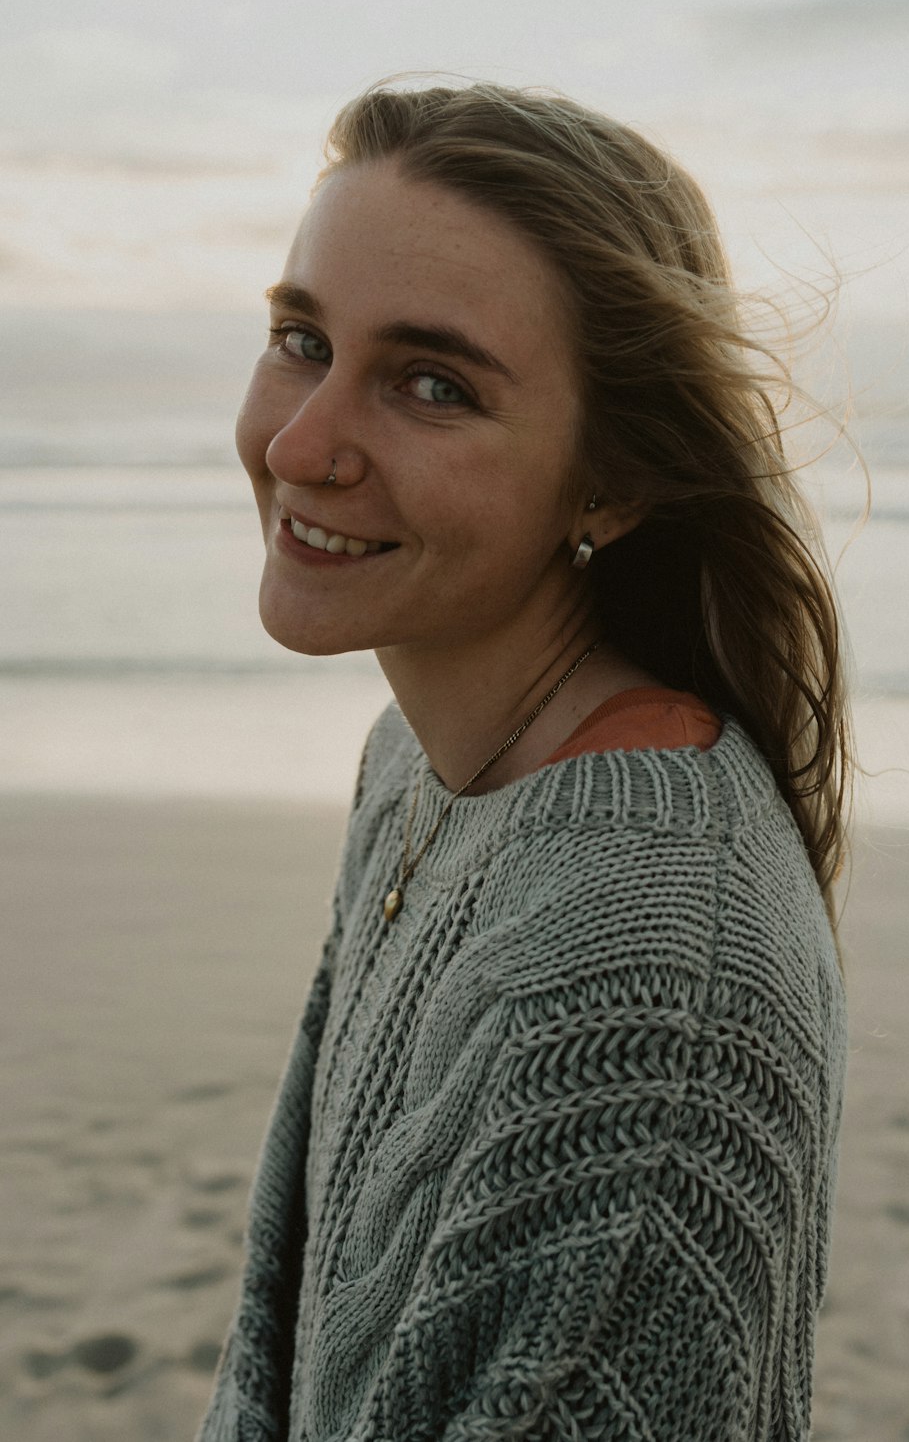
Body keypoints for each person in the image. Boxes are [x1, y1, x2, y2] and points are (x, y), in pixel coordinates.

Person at [197, 79, 851, 1442]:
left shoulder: (648, 973)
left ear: (611, 479)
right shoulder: (419, 765)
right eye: (301, 338)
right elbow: (285, 1315)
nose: (304, 445)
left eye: (433, 384)